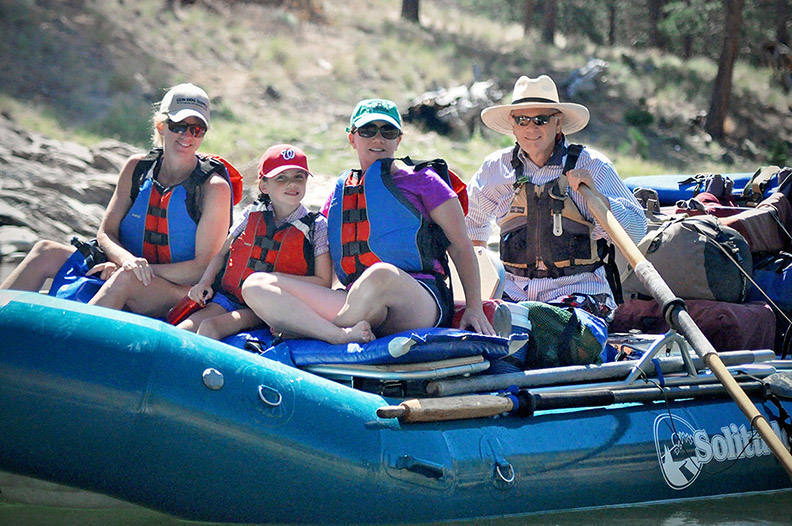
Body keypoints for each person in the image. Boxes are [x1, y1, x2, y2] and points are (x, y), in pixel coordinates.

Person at [242, 98, 495, 344]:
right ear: (352, 138)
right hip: (356, 300)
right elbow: (328, 261)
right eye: (367, 130)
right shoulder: (341, 191)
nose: (378, 138)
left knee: (380, 274)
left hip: (419, 299)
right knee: (256, 284)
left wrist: (474, 307)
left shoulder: (425, 181)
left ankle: (307, 327)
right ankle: (335, 334)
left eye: (387, 131)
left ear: (399, 139)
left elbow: (462, 246)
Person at [1, 83, 232, 318]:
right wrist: (124, 259)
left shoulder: (213, 189)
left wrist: (133, 269)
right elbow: (106, 232)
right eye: (179, 126)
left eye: (197, 129)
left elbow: (201, 268)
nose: (187, 136)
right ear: (161, 126)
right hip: (124, 269)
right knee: (45, 251)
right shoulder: (137, 168)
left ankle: (66, 341)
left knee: (126, 279)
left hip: (177, 293)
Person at [466, 75, 647, 319]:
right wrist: (479, 289)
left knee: (547, 327)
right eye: (522, 120)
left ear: (558, 123)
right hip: (512, 294)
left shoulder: (592, 165)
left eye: (541, 120)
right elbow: (471, 229)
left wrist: (600, 199)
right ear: (513, 125)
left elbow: (638, 231)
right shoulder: (494, 169)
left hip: (579, 294)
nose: (531, 128)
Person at [176, 144, 331, 340]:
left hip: (266, 307)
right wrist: (204, 282)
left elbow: (324, 282)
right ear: (263, 186)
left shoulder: (317, 226)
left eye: (298, 177)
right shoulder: (251, 213)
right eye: (281, 178)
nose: (292, 184)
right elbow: (222, 253)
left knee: (210, 328)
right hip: (228, 299)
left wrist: (271, 279)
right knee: (180, 332)